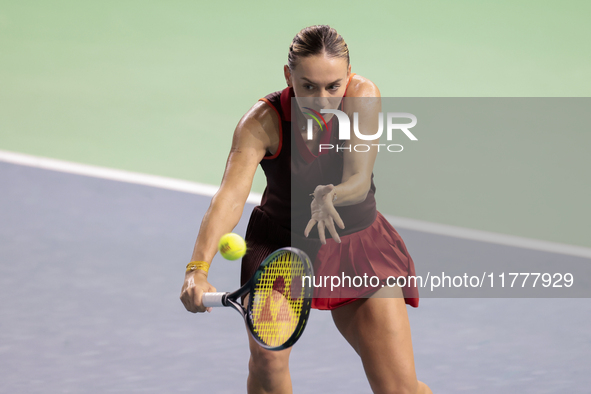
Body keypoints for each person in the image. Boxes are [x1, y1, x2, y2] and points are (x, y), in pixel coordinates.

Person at [180, 25, 432, 394]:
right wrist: (197, 269)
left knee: (399, 388)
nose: (322, 99)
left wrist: (331, 196)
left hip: (356, 246)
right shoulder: (261, 122)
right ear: (288, 76)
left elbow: (358, 179)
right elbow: (230, 196)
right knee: (267, 361)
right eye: (308, 86)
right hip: (280, 248)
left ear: (349, 75)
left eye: (333, 86)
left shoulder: (363, 96)